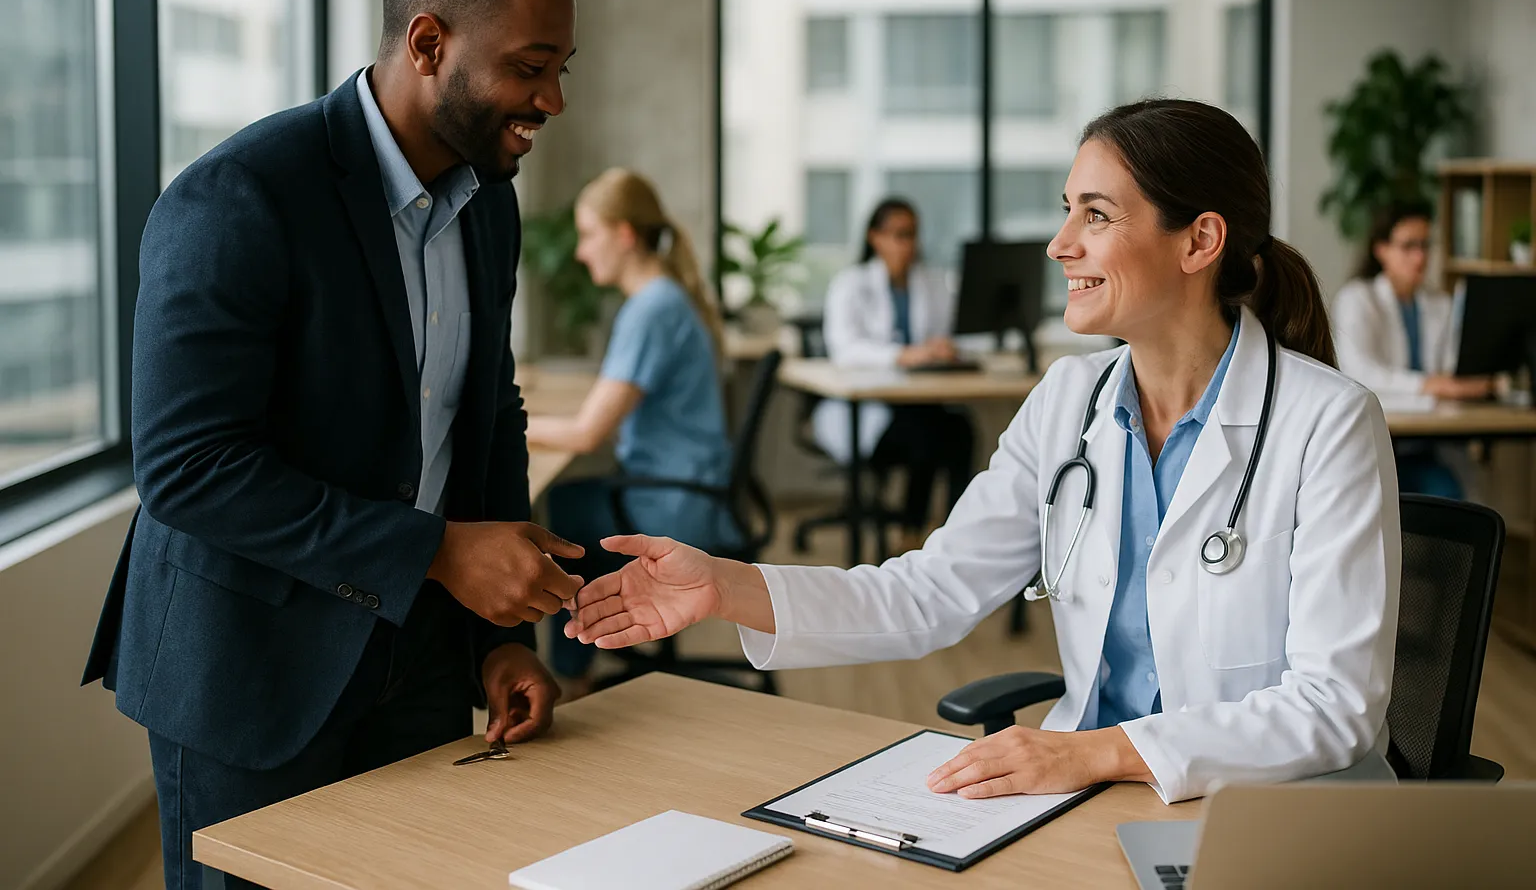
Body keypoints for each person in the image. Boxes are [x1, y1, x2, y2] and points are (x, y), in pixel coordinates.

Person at [569, 99, 1402, 805]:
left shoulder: (1326, 423)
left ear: (1199, 241)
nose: (1060, 243)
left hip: (1267, 812)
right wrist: (726, 586)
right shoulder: (1067, 404)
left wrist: (1099, 752)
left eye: (1097, 215)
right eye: (1067, 208)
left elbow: (1334, 708)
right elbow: (930, 594)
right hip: (1092, 794)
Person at [81, 0, 583, 889]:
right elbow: (188, 470)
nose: (552, 97)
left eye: (563, 66)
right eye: (531, 65)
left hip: (419, 659)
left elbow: (485, 417)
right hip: (250, 672)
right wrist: (438, 552)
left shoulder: (491, 201)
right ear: (428, 43)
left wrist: (497, 639)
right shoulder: (238, 197)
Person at [526, 168, 738, 696]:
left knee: (563, 519)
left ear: (624, 235)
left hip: (673, 504)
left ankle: (573, 678)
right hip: (688, 488)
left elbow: (586, 434)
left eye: (588, 233)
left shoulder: (652, 310)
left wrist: (511, 422)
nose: (579, 251)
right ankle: (581, 663)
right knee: (573, 501)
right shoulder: (664, 300)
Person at [813, 197, 977, 540]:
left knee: (961, 431)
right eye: (899, 234)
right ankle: (911, 530)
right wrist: (901, 355)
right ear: (875, 237)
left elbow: (949, 332)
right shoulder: (851, 285)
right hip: (869, 408)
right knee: (927, 436)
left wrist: (942, 347)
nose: (909, 244)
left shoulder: (931, 283)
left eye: (913, 234)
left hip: (919, 401)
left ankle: (954, 539)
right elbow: (845, 350)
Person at [1334, 204, 1493, 498]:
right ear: (1381, 249)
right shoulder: (1357, 299)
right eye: (1408, 246)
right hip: (1375, 450)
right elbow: (1359, 373)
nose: (1420, 257)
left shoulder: (1439, 303)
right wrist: (1430, 385)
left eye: (1424, 245)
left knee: (1453, 504)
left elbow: (1450, 368)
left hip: (1427, 448)